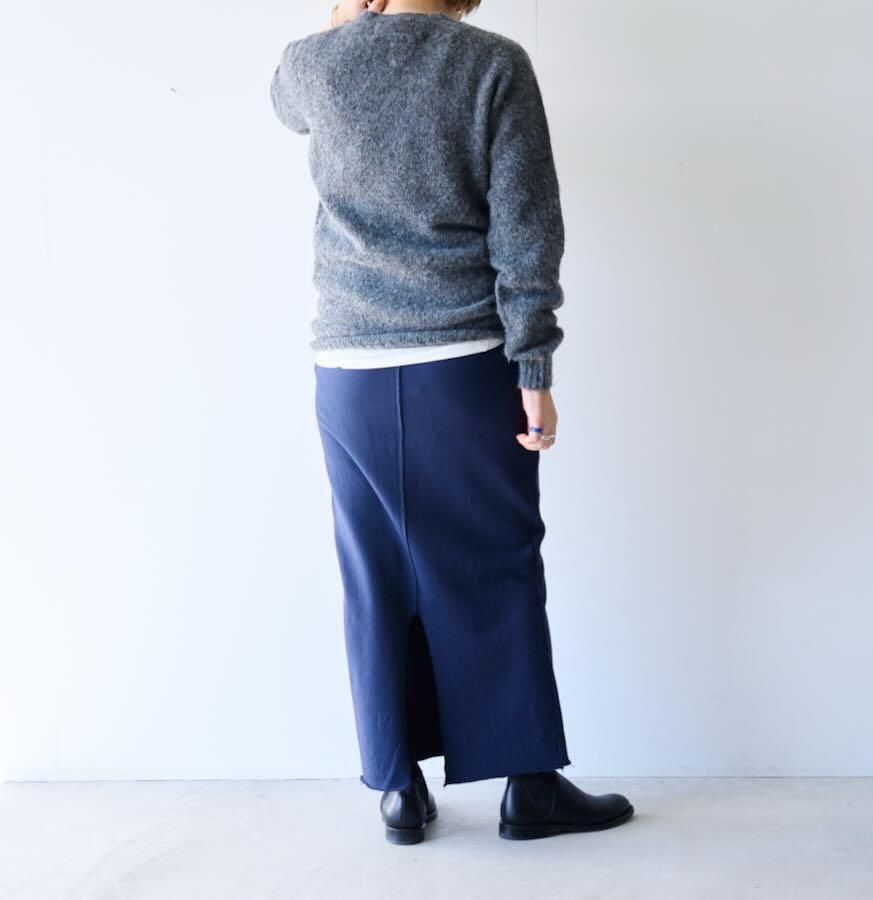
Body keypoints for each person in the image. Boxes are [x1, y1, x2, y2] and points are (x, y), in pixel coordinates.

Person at [270, 0, 634, 844]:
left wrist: (341, 21)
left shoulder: (315, 63)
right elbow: (527, 228)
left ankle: (399, 789)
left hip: (348, 372)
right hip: (462, 364)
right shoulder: (492, 64)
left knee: (376, 575)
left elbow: (283, 103)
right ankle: (529, 787)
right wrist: (534, 366)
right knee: (496, 565)